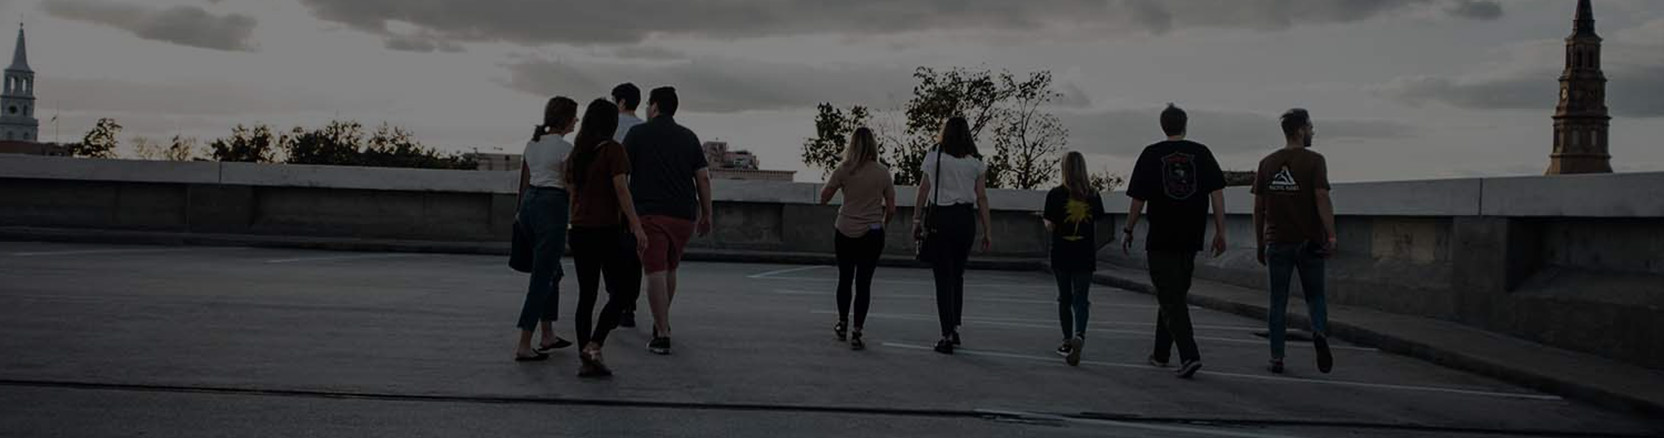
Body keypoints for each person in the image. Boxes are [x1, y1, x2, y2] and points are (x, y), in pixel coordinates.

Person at [1122, 104, 1227, 379]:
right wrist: (1220, 230)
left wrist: (1128, 229)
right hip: (1191, 236)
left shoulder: (1151, 154)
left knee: (1170, 297)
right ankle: (1161, 353)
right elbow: (1217, 194)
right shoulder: (1201, 153)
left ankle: (1189, 354)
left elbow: (1138, 199)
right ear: (1185, 125)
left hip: (1161, 236)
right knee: (1173, 295)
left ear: (1162, 125)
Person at [622, 86, 713, 355]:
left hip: (650, 213)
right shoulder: (689, 137)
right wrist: (707, 213)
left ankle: (662, 333)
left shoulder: (637, 134)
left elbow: (621, 174)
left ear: (654, 106)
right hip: (684, 214)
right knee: (670, 268)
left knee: (654, 271)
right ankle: (661, 320)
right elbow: (703, 178)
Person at [565, 98, 649, 377]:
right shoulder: (613, 150)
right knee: (623, 292)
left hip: (579, 230)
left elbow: (572, 192)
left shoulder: (577, 153)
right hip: (607, 230)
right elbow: (622, 190)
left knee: (586, 295)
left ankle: (586, 357)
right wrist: (637, 226)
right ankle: (595, 344)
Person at [1253, 108, 1336, 375]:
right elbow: (1321, 197)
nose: (1312, 132)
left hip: (1277, 242)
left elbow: (1259, 208)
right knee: (1316, 295)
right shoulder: (1315, 161)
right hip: (1309, 242)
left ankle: (1277, 357)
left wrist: (1260, 243)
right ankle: (1319, 331)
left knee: (1278, 300)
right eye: (1310, 127)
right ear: (1300, 130)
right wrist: (1331, 234)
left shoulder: (1267, 163)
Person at [913, 117, 992, 355]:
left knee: (942, 279)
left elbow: (923, 189)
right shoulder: (976, 163)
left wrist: (916, 219)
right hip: (965, 220)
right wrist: (987, 230)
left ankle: (946, 333)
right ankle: (955, 326)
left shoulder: (934, 156)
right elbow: (981, 197)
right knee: (957, 276)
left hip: (941, 219)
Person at [511, 96, 579, 362]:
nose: (577, 120)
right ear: (566, 119)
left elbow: (524, 182)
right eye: (574, 116)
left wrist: (520, 213)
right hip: (552, 205)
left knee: (553, 272)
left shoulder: (532, 144)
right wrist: (577, 216)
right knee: (542, 277)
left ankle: (548, 334)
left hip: (529, 205)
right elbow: (569, 185)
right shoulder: (566, 148)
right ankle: (524, 343)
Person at [818, 127, 896, 351]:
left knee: (845, 279)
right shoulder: (883, 172)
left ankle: (842, 323)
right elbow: (891, 207)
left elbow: (824, 198)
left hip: (844, 229)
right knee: (864, 283)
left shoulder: (844, 169)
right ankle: (857, 331)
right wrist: (882, 223)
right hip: (872, 231)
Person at [1043, 151, 1105, 367]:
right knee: (1081, 299)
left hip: (1062, 252)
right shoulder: (1093, 195)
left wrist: (1046, 222)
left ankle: (1067, 340)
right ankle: (1080, 334)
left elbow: (1051, 225)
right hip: (1084, 252)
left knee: (1064, 298)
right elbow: (1098, 220)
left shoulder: (1055, 194)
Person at [610, 82, 645, 328]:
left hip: (611, 199)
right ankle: (628, 306)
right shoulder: (644, 129)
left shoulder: (610, 127)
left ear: (621, 102)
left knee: (609, 252)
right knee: (633, 254)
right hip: (637, 199)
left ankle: (615, 298)